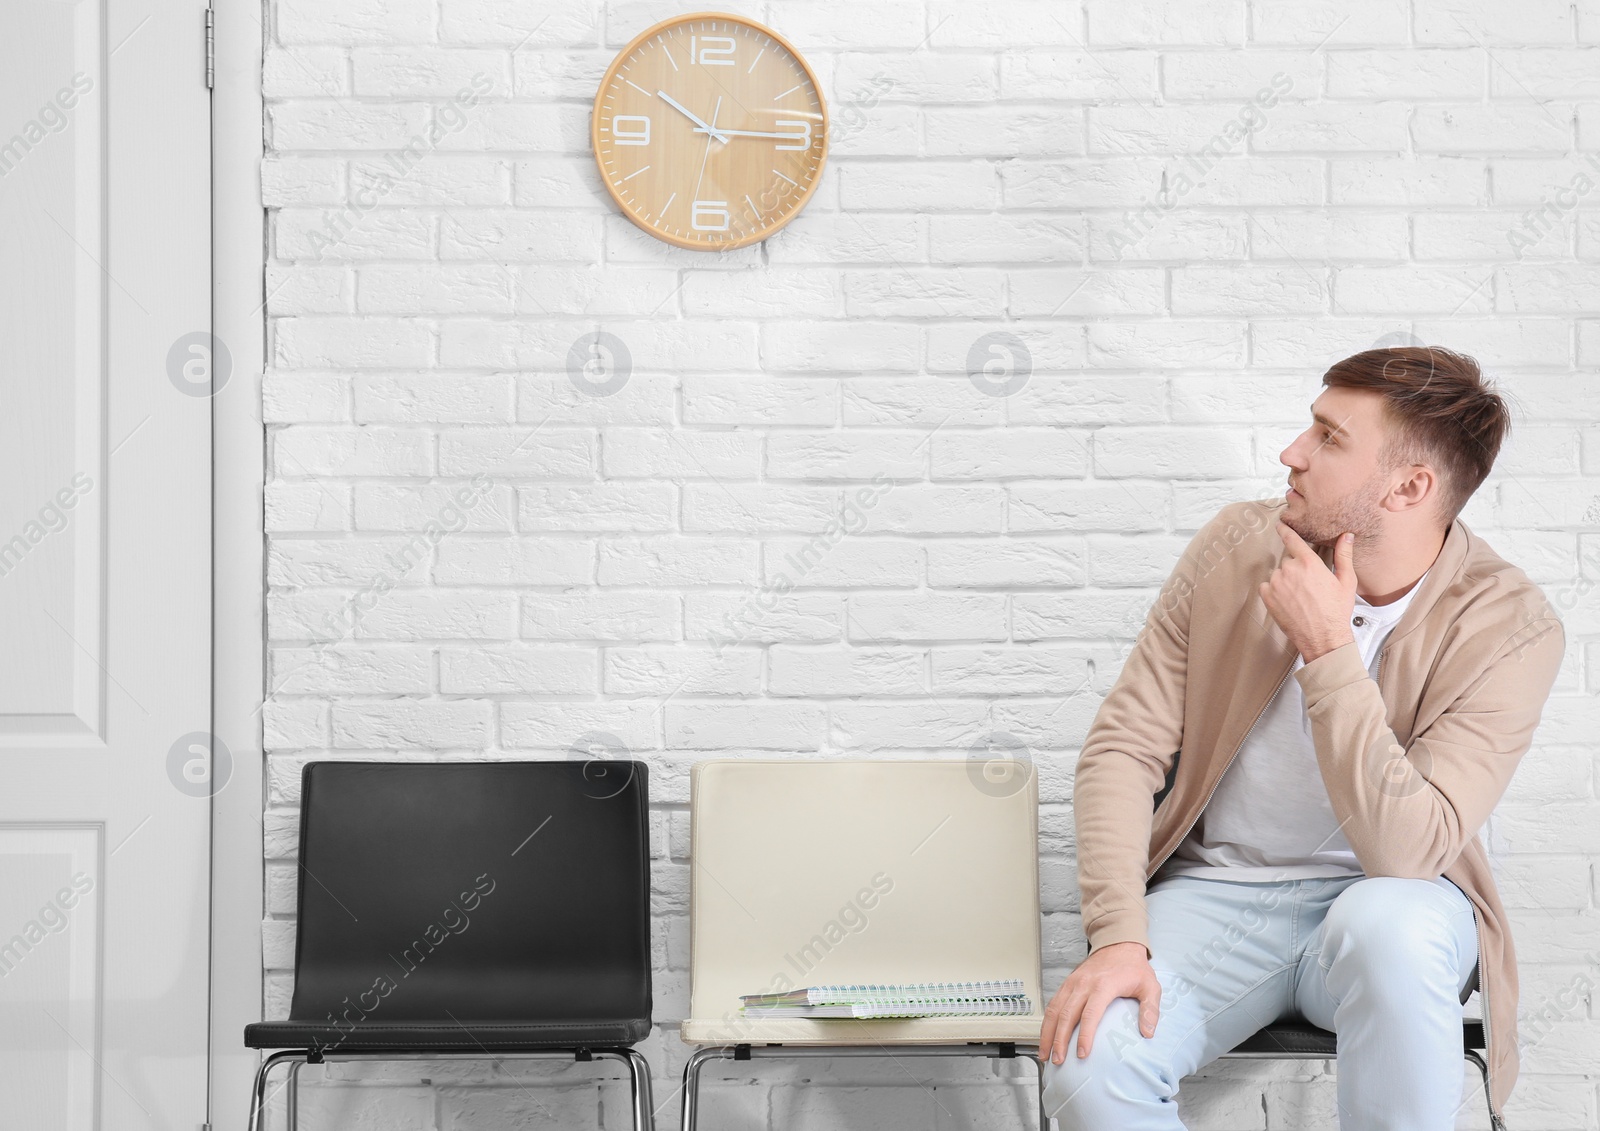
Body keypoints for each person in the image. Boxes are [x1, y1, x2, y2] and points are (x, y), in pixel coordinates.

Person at [1038, 346, 1564, 1131]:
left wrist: (1329, 653)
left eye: (1327, 437)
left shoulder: (1510, 625)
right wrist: (1118, 937)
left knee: (1392, 927)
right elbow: (1123, 749)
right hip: (1217, 896)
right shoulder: (1235, 547)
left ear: (1409, 486)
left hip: (1386, 908)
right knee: (1091, 1060)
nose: (1292, 453)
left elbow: (1409, 854)